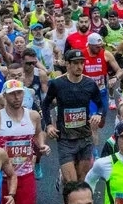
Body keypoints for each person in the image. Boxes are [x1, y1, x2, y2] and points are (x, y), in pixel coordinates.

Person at [43, 48, 104, 183]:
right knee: (72, 182)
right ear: (67, 64)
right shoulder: (57, 83)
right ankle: (66, 200)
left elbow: (100, 104)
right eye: (75, 63)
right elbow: (45, 104)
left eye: (82, 63)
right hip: (65, 139)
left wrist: (98, 114)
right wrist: (48, 126)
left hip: (85, 138)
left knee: (82, 180)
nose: (79, 66)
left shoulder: (89, 83)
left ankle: (64, 177)